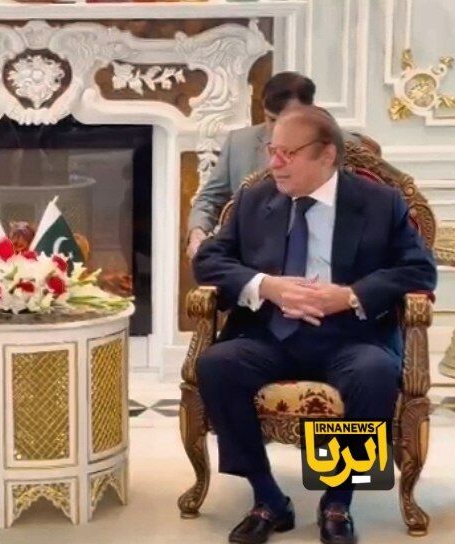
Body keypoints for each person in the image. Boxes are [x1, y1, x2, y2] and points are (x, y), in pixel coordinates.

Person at [192, 105, 436, 544]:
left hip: (350, 336)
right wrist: (267, 286)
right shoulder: (255, 199)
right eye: (272, 151)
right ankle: (268, 498)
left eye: (287, 153)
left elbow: (419, 270)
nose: (274, 163)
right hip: (271, 333)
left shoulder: (380, 203)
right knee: (217, 364)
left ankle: (337, 501)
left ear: (326, 155)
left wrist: (349, 296)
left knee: (374, 373)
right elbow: (209, 260)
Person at [186, 72, 360, 258]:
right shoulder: (238, 143)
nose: (279, 129)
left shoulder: (344, 146)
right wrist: (197, 232)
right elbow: (209, 199)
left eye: (289, 120)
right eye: (271, 119)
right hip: (252, 256)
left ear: (310, 111)